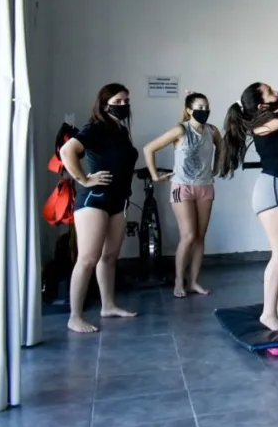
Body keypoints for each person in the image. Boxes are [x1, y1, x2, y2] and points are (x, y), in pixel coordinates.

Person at [219, 30, 278, 332]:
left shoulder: (274, 111)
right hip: (275, 190)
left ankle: (276, 312)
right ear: (261, 105)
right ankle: (267, 313)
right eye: (269, 90)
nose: (276, 91)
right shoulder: (262, 125)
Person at [59, 83, 140, 333]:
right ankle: (75, 316)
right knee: (88, 258)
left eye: (126, 100)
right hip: (94, 198)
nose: (124, 105)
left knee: (109, 257)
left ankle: (108, 305)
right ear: (105, 104)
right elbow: (67, 151)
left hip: (118, 199)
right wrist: (84, 179)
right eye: (118, 101)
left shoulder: (120, 131)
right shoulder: (95, 127)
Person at [143, 92, 221, 298]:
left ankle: (194, 281)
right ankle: (179, 281)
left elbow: (221, 147)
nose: (204, 111)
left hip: (205, 187)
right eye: (199, 107)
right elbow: (149, 148)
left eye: (206, 107)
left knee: (200, 237)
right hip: (181, 187)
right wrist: (155, 175)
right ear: (188, 110)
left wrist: (217, 166)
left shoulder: (212, 131)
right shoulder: (180, 130)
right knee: (188, 236)